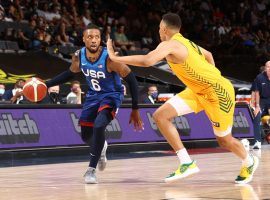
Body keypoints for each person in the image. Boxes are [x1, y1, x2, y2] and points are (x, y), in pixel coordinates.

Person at [107, 13, 259, 184]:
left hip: (218, 93)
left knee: (224, 140)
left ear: (164, 29)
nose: (158, 31)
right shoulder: (186, 42)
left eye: (159, 28)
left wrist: (115, 58)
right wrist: (206, 77)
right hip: (197, 90)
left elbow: (148, 60)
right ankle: (186, 162)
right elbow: (208, 55)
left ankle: (249, 161)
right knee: (160, 116)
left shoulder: (170, 44)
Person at [45, 23, 143, 184]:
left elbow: (132, 80)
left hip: (111, 96)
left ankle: (91, 170)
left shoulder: (110, 58)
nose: (93, 40)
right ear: (84, 39)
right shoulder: (78, 56)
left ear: (100, 40)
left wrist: (135, 108)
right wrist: (46, 84)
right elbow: (70, 74)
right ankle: (101, 146)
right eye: (90, 37)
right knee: (85, 135)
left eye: (97, 37)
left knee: (98, 126)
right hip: (92, 96)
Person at [252, 61, 270, 149]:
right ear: (265, 68)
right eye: (268, 67)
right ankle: (257, 141)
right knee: (257, 115)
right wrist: (257, 105)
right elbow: (256, 92)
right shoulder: (259, 78)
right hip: (262, 100)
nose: (269, 69)